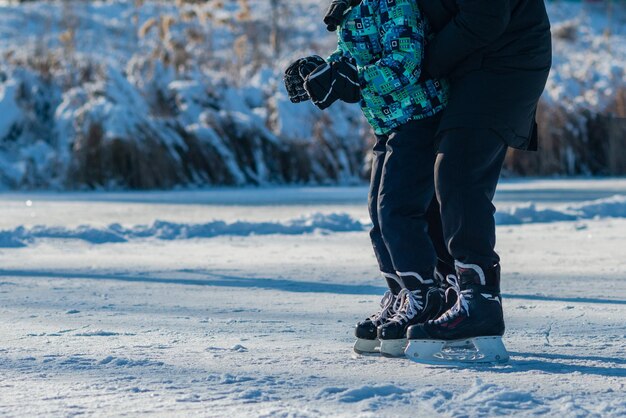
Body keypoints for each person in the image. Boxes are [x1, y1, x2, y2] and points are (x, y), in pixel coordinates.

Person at [284, 0, 456, 358]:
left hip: (419, 117)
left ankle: (424, 293)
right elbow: (352, 58)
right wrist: (324, 73)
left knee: (397, 210)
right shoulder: (351, 8)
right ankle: (400, 292)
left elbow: (405, 64)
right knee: (379, 215)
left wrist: (355, 81)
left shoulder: (397, 4)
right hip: (388, 124)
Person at [404, 0, 552, 363]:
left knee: (457, 171)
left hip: (505, 61)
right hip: (469, 61)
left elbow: (485, 16)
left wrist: (418, 65)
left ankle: (479, 301)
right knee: (431, 179)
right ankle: (452, 293)